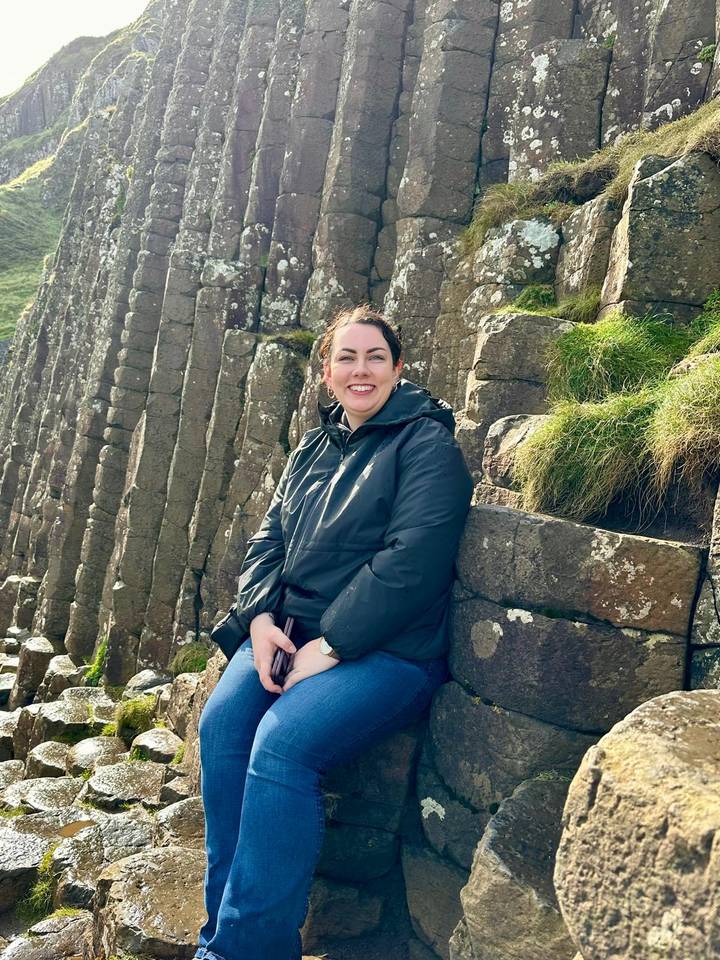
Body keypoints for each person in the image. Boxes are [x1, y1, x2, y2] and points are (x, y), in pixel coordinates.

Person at [195, 305, 474, 960]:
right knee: (222, 729)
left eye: (374, 357)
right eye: (346, 358)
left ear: (398, 369)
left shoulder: (427, 444)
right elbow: (269, 540)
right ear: (326, 373)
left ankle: (241, 952)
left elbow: (413, 561)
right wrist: (259, 620)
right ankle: (227, 931)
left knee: (282, 745)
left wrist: (335, 644)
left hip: (388, 650)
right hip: (288, 632)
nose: (360, 370)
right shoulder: (313, 447)